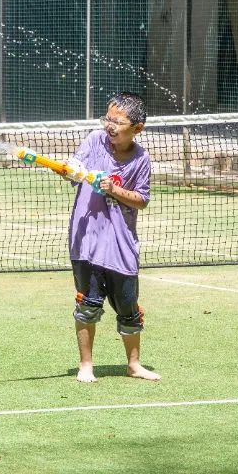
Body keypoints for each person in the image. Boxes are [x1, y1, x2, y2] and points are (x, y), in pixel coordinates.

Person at [67, 92, 158, 383]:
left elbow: (142, 200)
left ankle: (134, 365)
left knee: (129, 309)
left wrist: (113, 189)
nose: (110, 126)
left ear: (137, 128)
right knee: (88, 306)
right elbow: (72, 169)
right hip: (86, 242)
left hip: (121, 246)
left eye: (118, 122)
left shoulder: (141, 159)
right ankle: (85, 365)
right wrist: (73, 171)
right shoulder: (95, 140)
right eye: (108, 119)